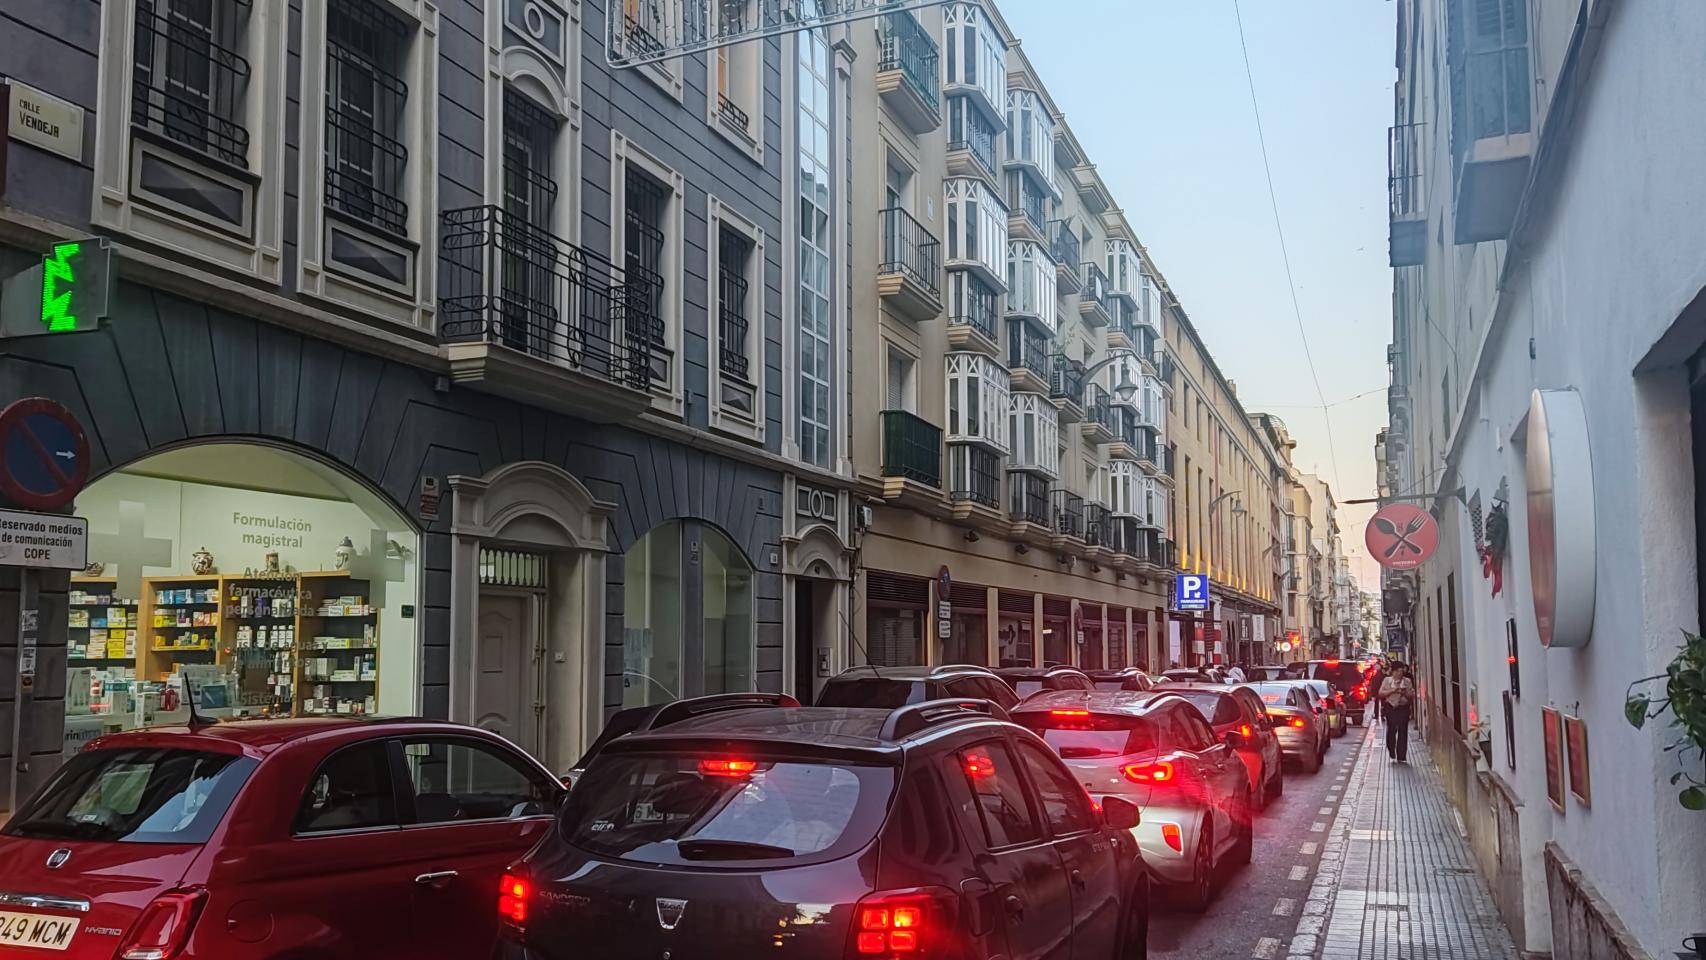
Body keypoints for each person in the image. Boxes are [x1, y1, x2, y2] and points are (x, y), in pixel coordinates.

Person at [1379, 663, 1416, 762]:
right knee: (1392, 729)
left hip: (1403, 708)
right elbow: (1381, 693)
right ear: (1393, 672)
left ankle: (1401, 755)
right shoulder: (1387, 681)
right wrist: (1392, 691)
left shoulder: (1407, 681)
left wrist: (1404, 693)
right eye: (1398, 671)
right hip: (1391, 707)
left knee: (1403, 730)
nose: (1400, 673)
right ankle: (1391, 749)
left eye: (1402, 671)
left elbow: (1411, 695)